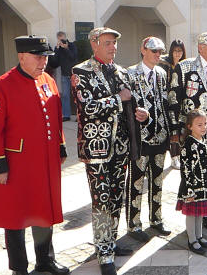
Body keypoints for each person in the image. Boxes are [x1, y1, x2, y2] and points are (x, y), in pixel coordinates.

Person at [0, 35, 69, 275]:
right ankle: (19, 268)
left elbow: (56, 119)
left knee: (44, 210)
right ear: (21, 57)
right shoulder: (2, 85)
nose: (43, 62)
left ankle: (45, 261)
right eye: (38, 57)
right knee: (15, 216)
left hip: (44, 162)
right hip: (16, 164)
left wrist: (60, 147)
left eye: (45, 57)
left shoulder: (48, 81)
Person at [71, 27, 149, 275]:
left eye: (114, 43)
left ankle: (110, 242)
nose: (113, 47)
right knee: (102, 200)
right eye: (107, 43)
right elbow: (88, 107)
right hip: (97, 150)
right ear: (94, 44)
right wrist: (118, 99)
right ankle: (104, 253)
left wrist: (141, 115)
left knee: (116, 198)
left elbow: (131, 101)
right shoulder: (81, 71)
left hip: (121, 148)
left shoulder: (121, 71)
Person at [168, 31, 207, 231]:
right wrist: (175, 132)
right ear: (200, 47)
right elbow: (174, 100)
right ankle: (192, 220)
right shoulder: (184, 68)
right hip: (191, 138)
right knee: (192, 177)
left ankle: (205, 214)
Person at [125, 37, 171, 242]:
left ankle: (156, 218)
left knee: (158, 180)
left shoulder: (161, 73)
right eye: (154, 51)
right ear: (143, 50)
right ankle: (134, 225)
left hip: (160, 135)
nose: (157, 55)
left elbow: (165, 103)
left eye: (160, 51)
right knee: (136, 182)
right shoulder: (130, 73)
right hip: (140, 138)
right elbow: (126, 107)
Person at [176, 109, 207, 255]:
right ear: (189, 127)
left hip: (204, 186)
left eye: (205, 123)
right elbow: (186, 169)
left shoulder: (205, 140)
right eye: (199, 125)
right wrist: (189, 190)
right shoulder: (189, 144)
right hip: (192, 187)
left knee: (200, 213)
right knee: (192, 214)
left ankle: (199, 236)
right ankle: (192, 239)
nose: (204, 127)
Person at [158, 39, 186, 170]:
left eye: (180, 51)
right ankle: (174, 157)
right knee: (171, 129)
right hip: (166, 101)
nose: (177, 53)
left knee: (179, 128)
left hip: (180, 103)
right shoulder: (165, 64)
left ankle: (177, 156)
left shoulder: (184, 65)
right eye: (175, 51)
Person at [52, 31, 78, 121]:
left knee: (77, 95)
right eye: (60, 40)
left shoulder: (72, 46)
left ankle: (79, 115)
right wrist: (56, 49)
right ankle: (66, 115)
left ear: (66, 38)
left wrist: (67, 48)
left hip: (73, 74)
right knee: (65, 95)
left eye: (63, 39)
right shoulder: (59, 49)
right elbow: (55, 61)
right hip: (64, 74)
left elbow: (73, 57)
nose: (62, 41)